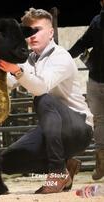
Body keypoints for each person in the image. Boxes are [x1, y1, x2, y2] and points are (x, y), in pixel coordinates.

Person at [0, 8, 94, 194]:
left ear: (51, 33)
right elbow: (9, 82)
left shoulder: (61, 57)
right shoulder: (28, 59)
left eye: (38, 29)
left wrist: (16, 70)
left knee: (44, 99)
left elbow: (41, 87)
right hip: (52, 130)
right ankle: (65, 168)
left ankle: (56, 174)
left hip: (78, 128)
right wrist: (0, 67)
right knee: (6, 162)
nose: (32, 35)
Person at [68, 0, 104, 181]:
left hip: (96, 78)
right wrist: (64, 57)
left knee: (99, 120)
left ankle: (101, 162)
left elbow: (83, 43)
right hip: (96, 79)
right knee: (98, 121)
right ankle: (101, 162)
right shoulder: (97, 21)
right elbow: (83, 43)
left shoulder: (98, 21)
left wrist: (66, 55)